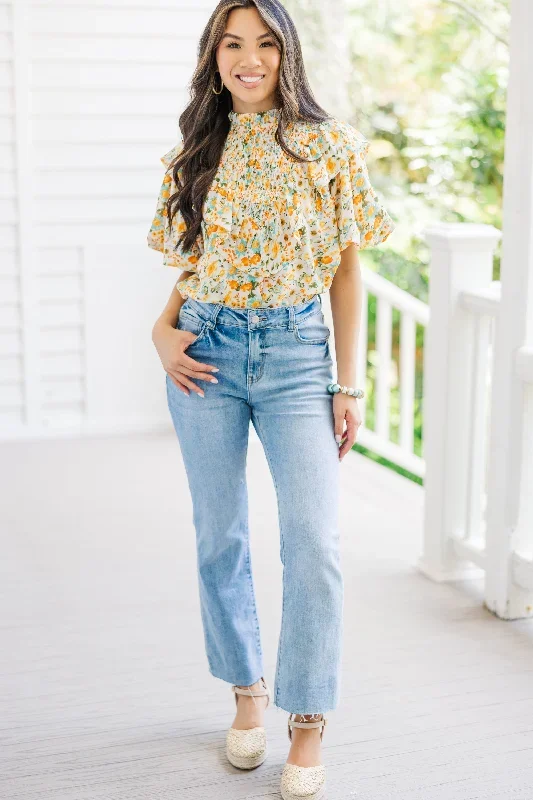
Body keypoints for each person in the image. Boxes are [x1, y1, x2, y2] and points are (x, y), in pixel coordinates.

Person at [148, 2, 395, 798]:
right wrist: (161, 332)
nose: (248, 59)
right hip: (206, 354)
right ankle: (246, 695)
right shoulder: (195, 150)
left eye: (263, 44)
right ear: (213, 57)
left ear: (287, 55)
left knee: (314, 543)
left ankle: (309, 719)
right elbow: (192, 273)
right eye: (232, 44)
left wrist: (344, 382)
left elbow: (347, 271)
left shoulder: (327, 144)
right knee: (219, 536)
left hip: (295, 357)